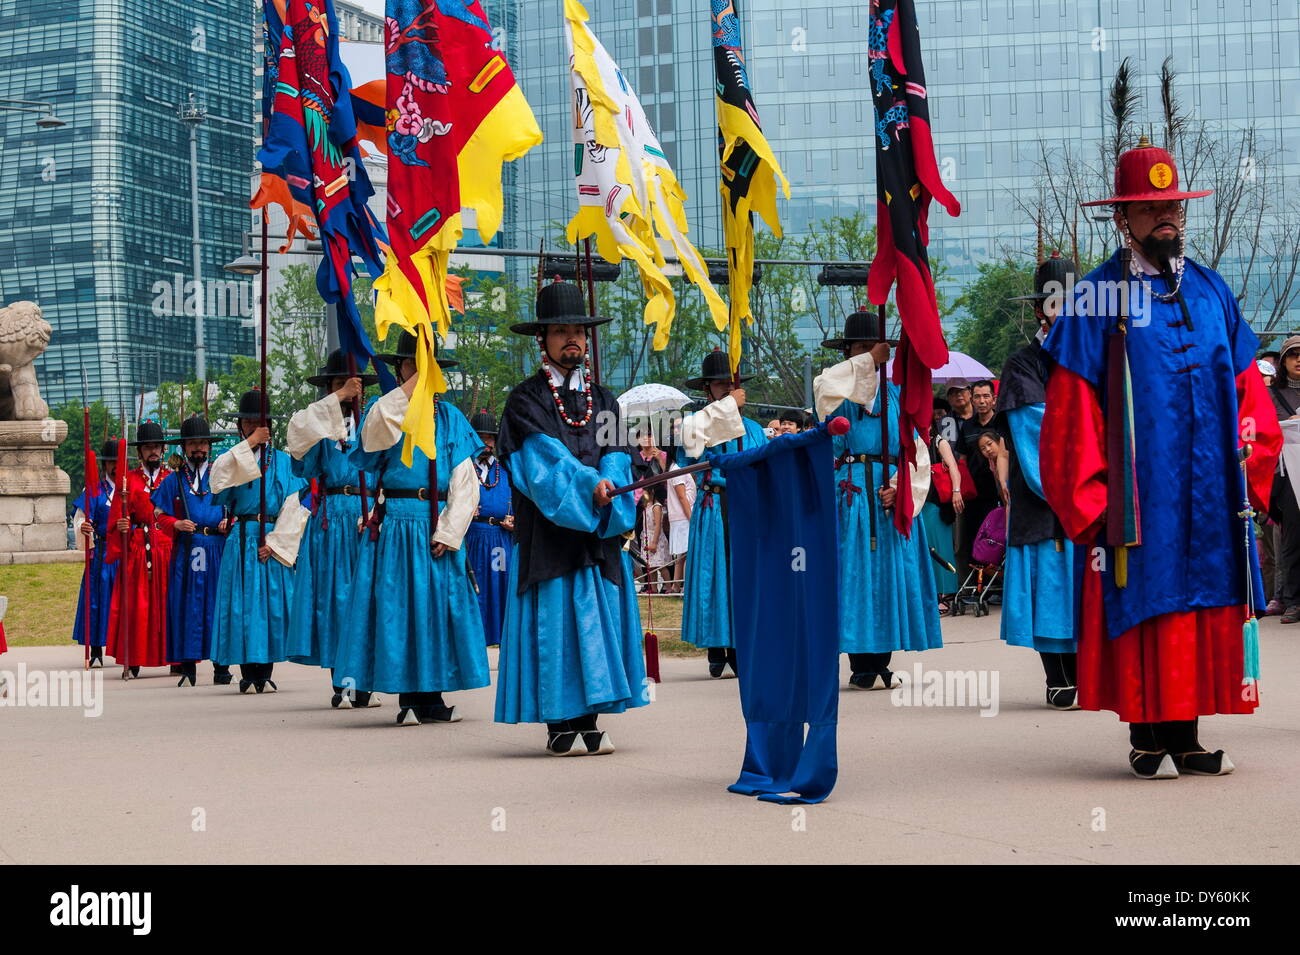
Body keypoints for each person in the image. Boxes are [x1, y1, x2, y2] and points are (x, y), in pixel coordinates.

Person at [1042, 135, 1280, 778]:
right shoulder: (1095, 299)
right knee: (1149, 604)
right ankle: (1149, 735)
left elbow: (1247, 389)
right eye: (1150, 209)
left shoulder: (1211, 292)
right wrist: (1091, 496)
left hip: (1207, 491)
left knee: (1201, 608)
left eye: (1173, 205)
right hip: (1139, 494)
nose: (1166, 217)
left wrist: (1251, 467)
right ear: (1122, 217)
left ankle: (1190, 735)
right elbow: (1070, 408)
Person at [495, 280, 650, 756]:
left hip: (598, 535)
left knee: (596, 623)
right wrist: (588, 488)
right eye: (560, 331)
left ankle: (591, 718)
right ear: (541, 340)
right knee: (557, 625)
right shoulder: (525, 401)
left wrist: (610, 480)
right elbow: (541, 464)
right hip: (550, 533)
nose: (572, 340)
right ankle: (559, 722)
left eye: (578, 330)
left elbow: (621, 453)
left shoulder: (606, 400)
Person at [335, 333, 489, 726]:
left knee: (435, 611)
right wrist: (408, 388)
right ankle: (406, 694)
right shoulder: (386, 410)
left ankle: (432, 695)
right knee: (398, 609)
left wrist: (450, 531)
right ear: (400, 368)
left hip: (433, 521)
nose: (419, 371)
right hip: (397, 523)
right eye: (411, 364)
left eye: (425, 365)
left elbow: (464, 480)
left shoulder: (450, 417)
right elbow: (371, 440)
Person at [816, 307, 942, 689]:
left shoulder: (900, 395)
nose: (867, 354)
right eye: (859, 349)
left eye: (873, 347)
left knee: (888, 574)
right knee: (854, 576)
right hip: (851, 491)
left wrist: (901, 487)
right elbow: (827, 449)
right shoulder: (835, 391)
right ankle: (860, 664)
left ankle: (883, 659)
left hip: (890, 486)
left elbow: (917, 447)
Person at [997, 252, 1079, 710]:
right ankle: (1058, 675)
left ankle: (1091, 670)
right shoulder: (1024, 364)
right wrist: (1076, 486)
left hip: (1098, 492)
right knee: (1052, 584)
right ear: (1038, 310)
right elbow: (1035, 433)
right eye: (1054, 302)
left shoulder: (1103, 357)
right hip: (1049, 493)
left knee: (1090, 585)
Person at [285, 350, 381, 708]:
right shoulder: (317, 429)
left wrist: (374, 509)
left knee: (364, 599)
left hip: (367, 513)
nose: (347, 392)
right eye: (339, 386)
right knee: (334, 601)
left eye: (351, 386)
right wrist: (337, 400)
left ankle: (364, 682)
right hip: (331, 519)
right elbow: (299, 461)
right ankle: (341, 682)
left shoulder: (375, 422)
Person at [208, 390, 310, 694]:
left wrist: (277, 543)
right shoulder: (234, 458)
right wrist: (249, 444)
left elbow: (296, 504)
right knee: (241, 605)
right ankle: (246, 672)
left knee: (269, 606)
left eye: (260, 422)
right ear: (241, 426)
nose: (254, 427)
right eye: (248, 423)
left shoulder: (283, 461)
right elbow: (217, 481)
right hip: (242, 540)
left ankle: (264, 670)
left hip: (271, 539)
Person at [677, 347, 766, 678]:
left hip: (747, 505)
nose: (727, 391)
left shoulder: (754, 428)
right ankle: (717, 647)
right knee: (714, 574)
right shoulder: (695, 423)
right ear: (707, 390)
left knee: (744, 574)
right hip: (714, 504)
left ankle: (744, 644)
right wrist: (729, 410)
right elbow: (689, 448)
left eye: (732, 385)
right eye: (719, 385)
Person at [152, 416, 231, 687]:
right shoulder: (174, 479)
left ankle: (222, 667)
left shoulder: (221, 475)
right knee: (187, 605)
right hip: (187, 550)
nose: (199, 448)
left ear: (209, 446)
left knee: (218, 604)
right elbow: (158, 515)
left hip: (217, 548)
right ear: (183, 447)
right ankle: (187, 668)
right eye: (193, 443)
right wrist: (175, 523)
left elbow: (234, 507)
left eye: (202, 443)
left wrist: (227, 521)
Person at [104, 421, 174, 677]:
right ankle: (132, 659)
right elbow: (115, 520)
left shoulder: (172, 477)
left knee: (171, 603)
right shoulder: (128, 480)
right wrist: (122, 524)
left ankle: (176, 657)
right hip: (139, 548)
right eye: (148, 448)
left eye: (156, 447)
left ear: (163, 449)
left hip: (169, 547)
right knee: (137, 606)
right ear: (140, 452)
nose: (152, 452)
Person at [71, 439, 121, 668]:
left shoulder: (128, 488)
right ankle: (96, 649)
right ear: (104, 465)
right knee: (97, 600)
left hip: (123, 551)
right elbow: (80, 515)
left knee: (123, 601)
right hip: (101, 552)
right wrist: (83, 526)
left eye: (117, 462)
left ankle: (124, 648)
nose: (114, 467)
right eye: (110, 462)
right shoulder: (93, 489)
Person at [466, 410, 513, 648]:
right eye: (480, 438)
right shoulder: (463, 468)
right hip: (473, 536)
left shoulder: (505, 471)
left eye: (490, 438)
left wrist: (516, 521)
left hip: (501, 538)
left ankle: (503, 638)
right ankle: (474, 640)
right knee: (475, 587)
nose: (486, 443)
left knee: (501, 584)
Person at [1267, 336, 1300, 623]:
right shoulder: (1270, 396)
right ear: (1284, 361)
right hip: (1287, 475)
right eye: (1293, 355)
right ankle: (1292, 600)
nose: (1299, 360)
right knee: (1292, 538)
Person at [956, 379, 1002, 583]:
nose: (981, 401)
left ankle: (1000, 586)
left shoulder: (1002, 423)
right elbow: (962, 459)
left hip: (999, 493)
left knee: (998, 540)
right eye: (977, 397)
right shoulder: (967, 426)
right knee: (974, 539)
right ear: (972, 400)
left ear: (994, 399)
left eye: (986, 396)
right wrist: (960, 489)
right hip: (973, 495)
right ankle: (979, 586)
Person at [921, 409, 962, 611]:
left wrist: (956, 491)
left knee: (941, 545)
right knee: (926, 547)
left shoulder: (939, 441)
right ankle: (932, 593)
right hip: (919, 501)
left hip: (937, 501)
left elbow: (954, 468)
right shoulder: (910, 442)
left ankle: (946, 594)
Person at [664, 454, 696, 595]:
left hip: (680, 516)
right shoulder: (676, 469)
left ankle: (676, 586)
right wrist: (691, 518)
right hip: (684, 516)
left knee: (681, 555)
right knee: (686, 554)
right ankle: (685, 587)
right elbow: (682, 497)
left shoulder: (676, 468)